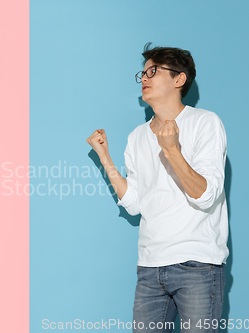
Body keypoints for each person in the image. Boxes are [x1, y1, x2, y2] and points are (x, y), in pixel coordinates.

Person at [87, 44, 228, 332]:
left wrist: (172, 150)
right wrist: (105, 159)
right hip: (150, 268)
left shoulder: (205, 123)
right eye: (143, 72)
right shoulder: (137, 136)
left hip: (198, 265)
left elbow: (207, 195)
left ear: (179, 79)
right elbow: (135, 203)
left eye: (153, 71)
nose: (144, 78)